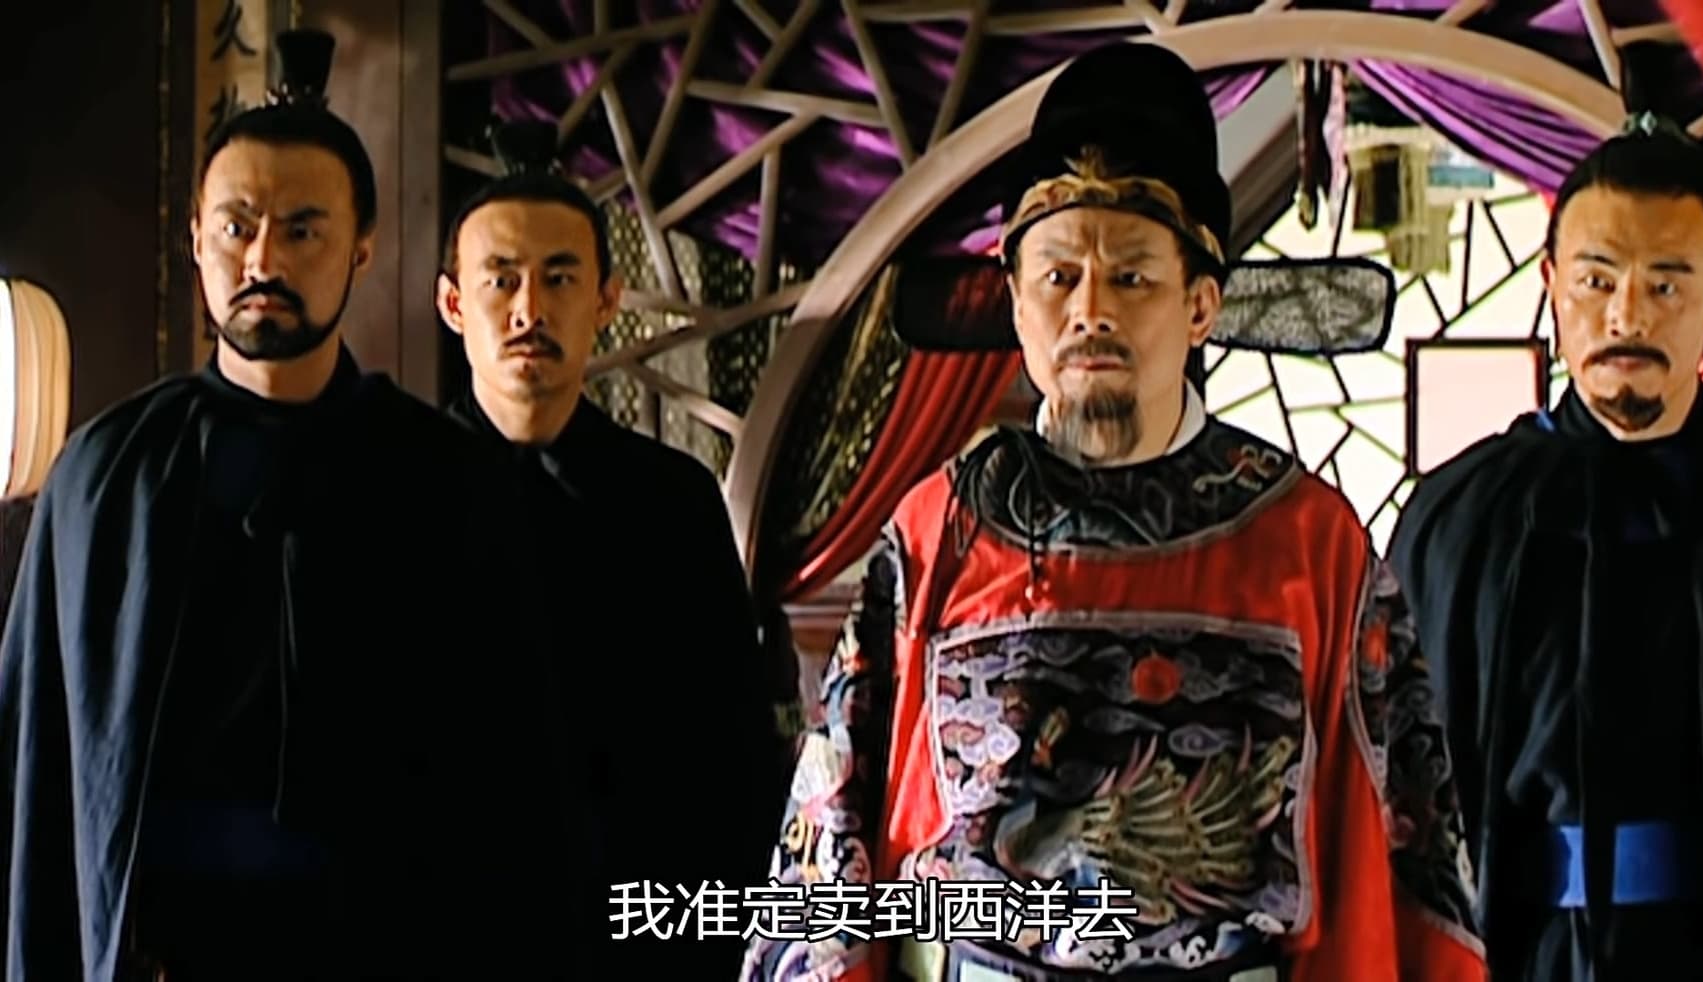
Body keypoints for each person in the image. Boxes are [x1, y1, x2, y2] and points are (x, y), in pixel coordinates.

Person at [740, 41, 1484, 982]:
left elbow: (1400, 858)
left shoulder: (1309, 541)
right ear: (1016, 304)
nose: (1091, 310)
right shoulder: (937, 532)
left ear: (1201, 304)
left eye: (1132, 277)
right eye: (1059, 278)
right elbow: (831, 841)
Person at [0, 30, 576, 981]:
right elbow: (34, 779)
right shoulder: (105, 476)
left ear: (361, 247)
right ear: (196, 238)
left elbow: (518, 795)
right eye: (237, 227)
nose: (263, 256)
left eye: (303, 230)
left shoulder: (452, 482)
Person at [1389, 45, 1703, 982]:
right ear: (1551, 285)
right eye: (1597, 280)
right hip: (1527, 954)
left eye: (1667, 284)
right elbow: (1402, 797)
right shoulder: (1463, 516)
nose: (1627, 315)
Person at [436, 118, 786, 975]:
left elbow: (733, 758)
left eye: (560, 278)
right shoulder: (397, 489)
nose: (529, 310)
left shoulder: (673, 501)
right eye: (501, 280)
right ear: (453, 304)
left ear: (606, 299)